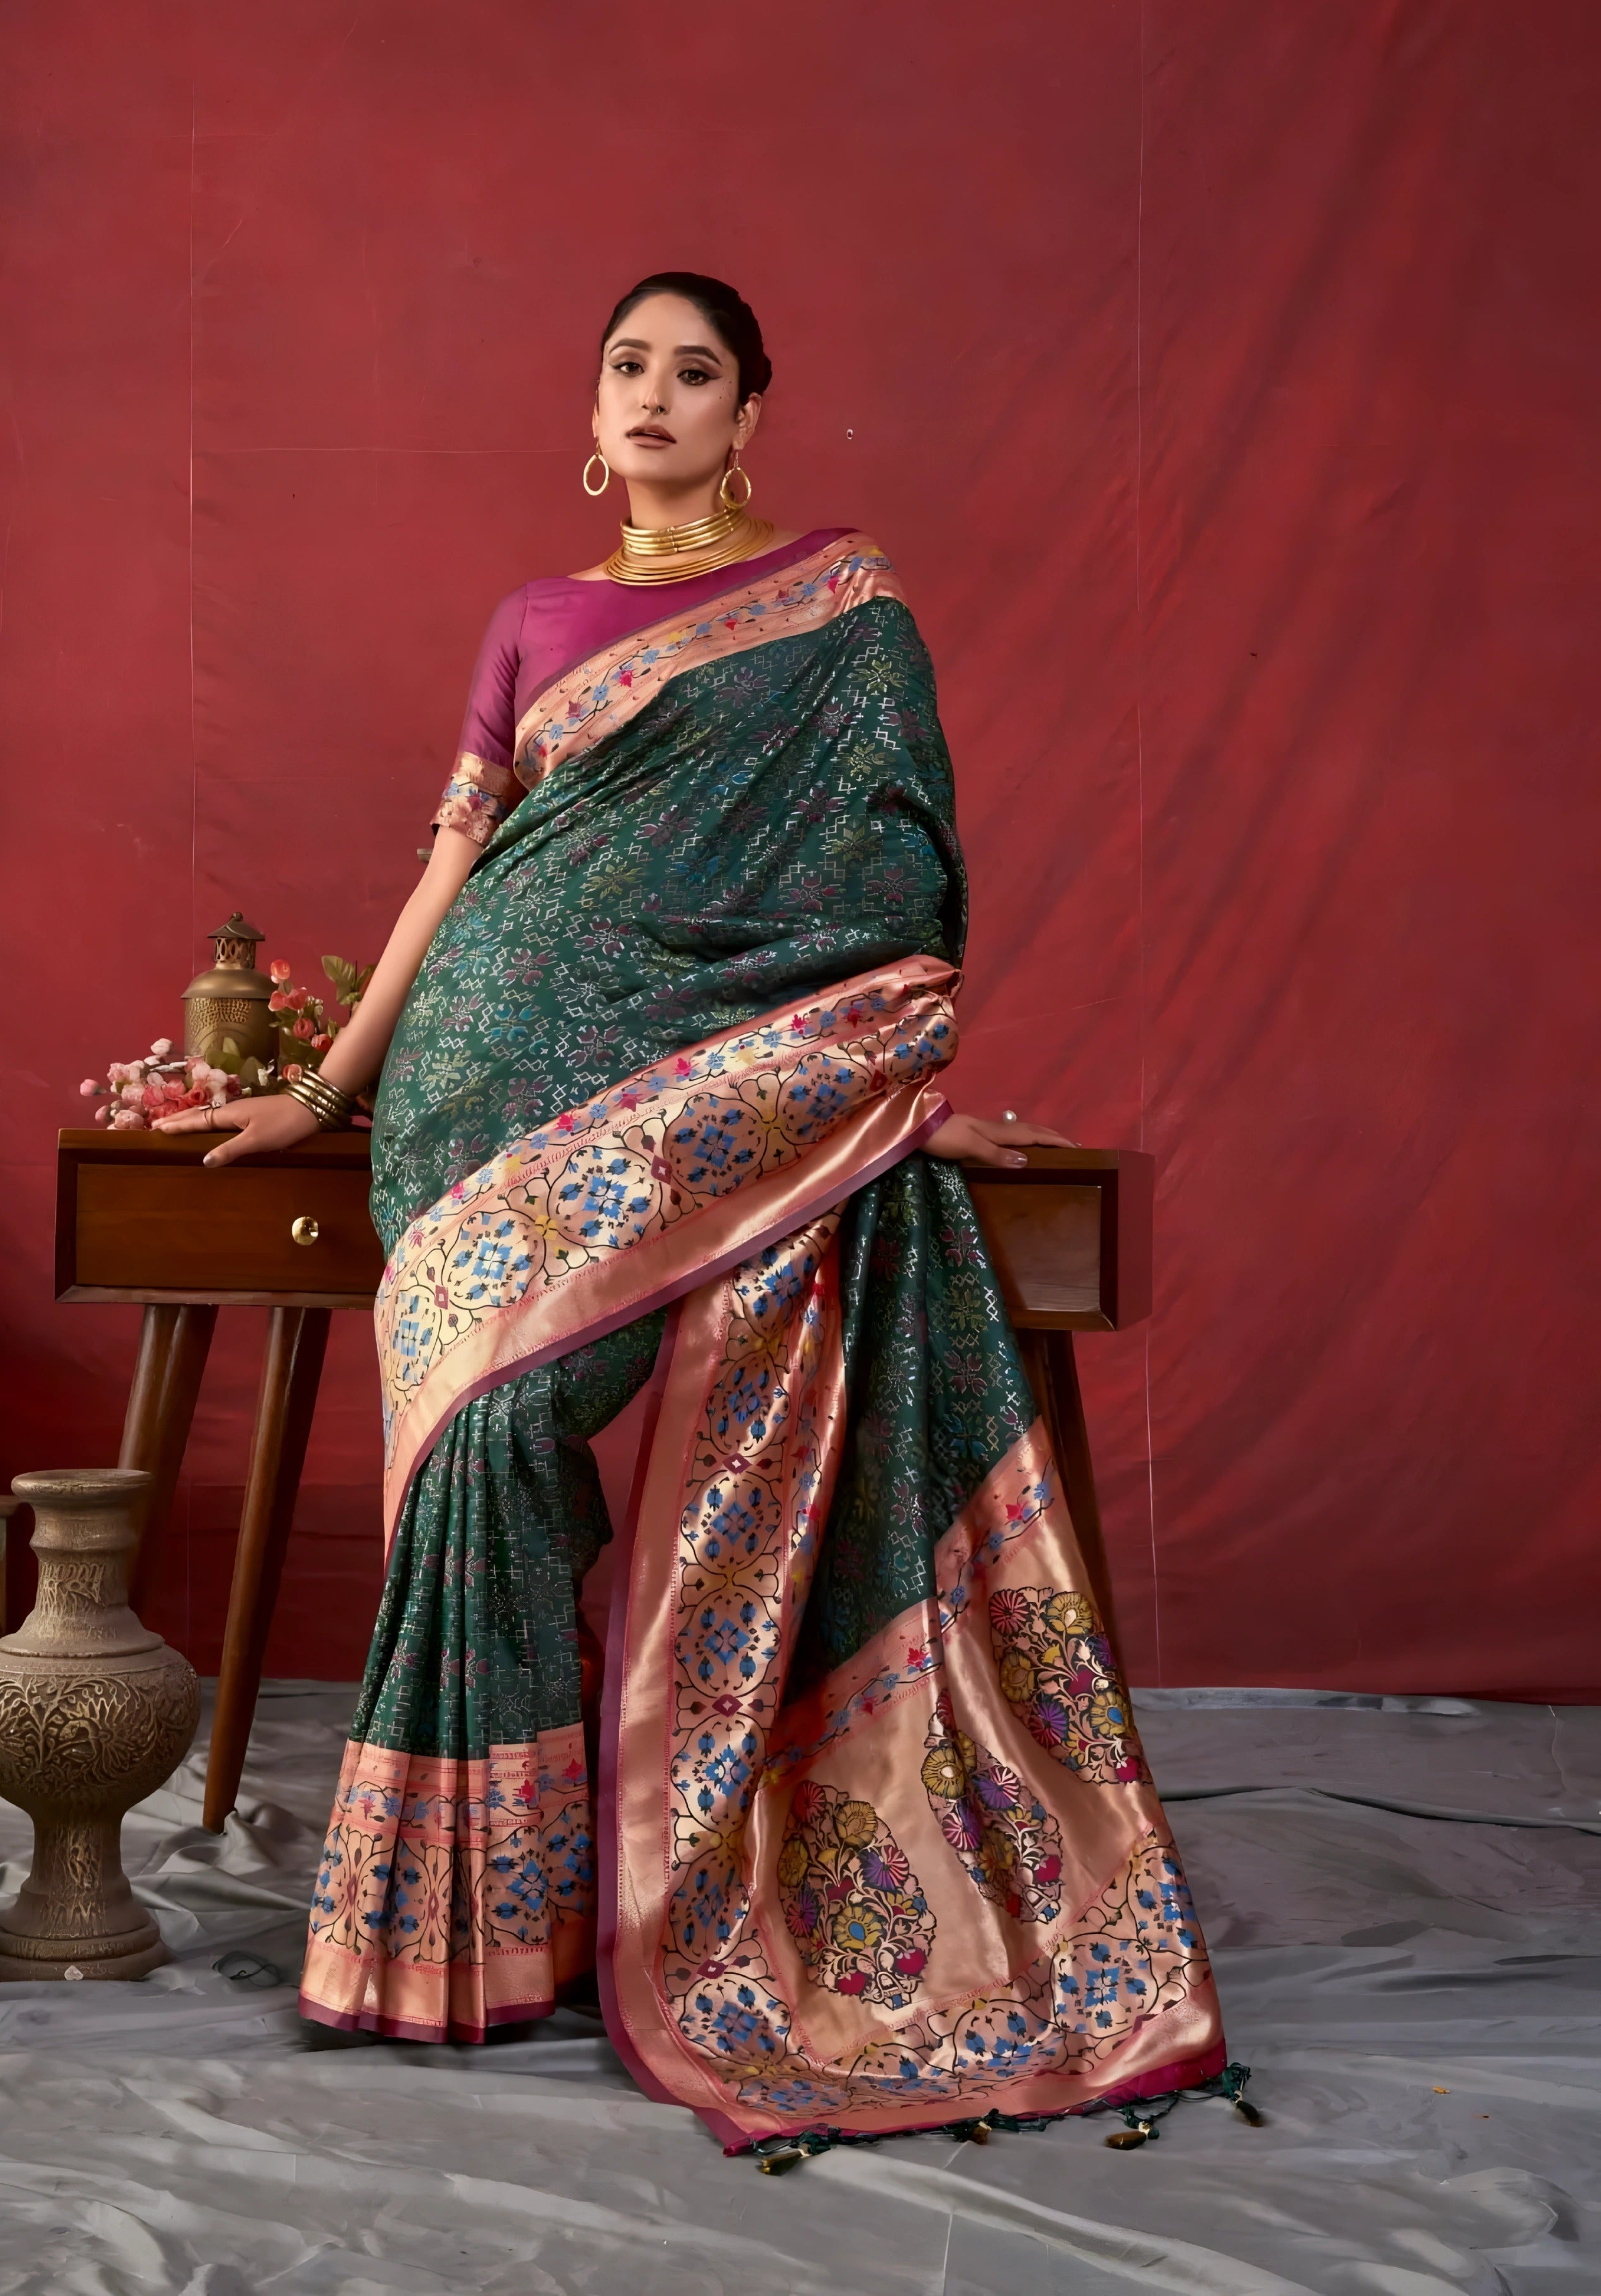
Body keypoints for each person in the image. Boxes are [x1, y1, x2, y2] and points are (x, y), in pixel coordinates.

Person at [157, 272, 1227, 2155]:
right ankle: (475, 1917)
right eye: (629, 365)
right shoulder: (533, 621)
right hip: (477, 1103)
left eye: (696, 371)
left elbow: (889, 874)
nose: (657, 393)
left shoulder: (842, 610)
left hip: (705, 1099)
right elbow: (453, 869)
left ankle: (588, 1884)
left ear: (752, 416)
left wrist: (868, 1087)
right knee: (479, 1443)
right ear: (595, 408)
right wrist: (330, 1091)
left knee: (502, 1437)